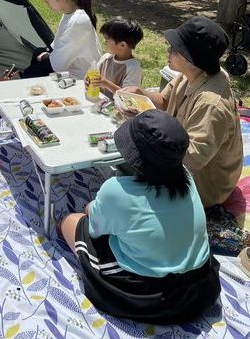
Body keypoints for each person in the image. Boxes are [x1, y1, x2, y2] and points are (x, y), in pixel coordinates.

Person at [59, 109, 220, 324]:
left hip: (150, 297)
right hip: (199, 288)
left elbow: (94, 228)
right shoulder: (187, 178)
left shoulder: (116, 191)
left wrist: (92, 208)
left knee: (71, 222)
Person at [124, 16, 243, 209]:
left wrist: (149, 141)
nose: (168, 51)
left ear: (192, 59)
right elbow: (164, 101)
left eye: (175, 49)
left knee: (127, 181)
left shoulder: (212, 104)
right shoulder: (191, 74)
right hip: (179, 160)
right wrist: (140, 93)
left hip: (205, 186)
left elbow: (193, 160)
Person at [22, 0, 101, 79]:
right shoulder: (69, 14)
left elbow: (57, 65)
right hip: (68, 72)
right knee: (37, 53)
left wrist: (44, 57)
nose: (45, 1)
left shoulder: (77, 21)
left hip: (81, 81)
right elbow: (56, 47)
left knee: (35, 68)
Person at [93, 16, 143, 98]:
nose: (104, 42)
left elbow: (128, 96)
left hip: (117, 108)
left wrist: (107, 84)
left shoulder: (133, 68)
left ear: (122, 45)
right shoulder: (106, 58)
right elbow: (95, 77)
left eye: (107, 40)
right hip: (99, 102)